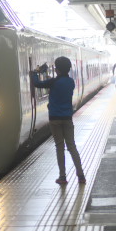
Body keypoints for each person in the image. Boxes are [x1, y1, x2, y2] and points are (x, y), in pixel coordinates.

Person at [32, 56, 86, 185]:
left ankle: (62, 177)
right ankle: (81, 175)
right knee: (72, 146)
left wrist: (35, 73)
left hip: (55, 119)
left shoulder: (53, 82)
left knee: (59, 147)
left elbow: (37, 83)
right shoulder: (71, 82)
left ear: (57, 69)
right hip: (67, 118)